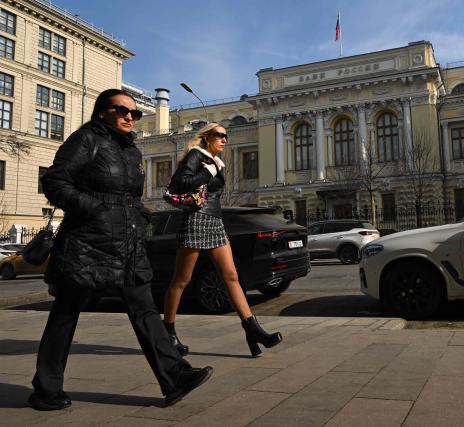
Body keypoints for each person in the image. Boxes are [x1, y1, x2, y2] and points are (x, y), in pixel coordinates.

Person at [29, 89, 213, 411]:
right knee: (66, 313)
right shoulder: (85, 139)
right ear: (102, 112)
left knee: (145, 309)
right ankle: (46, 389)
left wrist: (141, 215)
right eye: (122, 111)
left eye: (135, 113)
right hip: (88, 242)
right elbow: (56, 182)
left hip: (127, 244)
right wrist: (95, 209)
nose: (130, 117)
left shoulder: (130, 151)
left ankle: (175, 377)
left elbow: (128, 196)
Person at [163, 122, 282, 358]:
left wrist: (212, 170)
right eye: (219, 135)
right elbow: (179, 183)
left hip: (215, 222)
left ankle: (252, 330)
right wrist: (206, 172)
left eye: (226, 136)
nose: (224, 139)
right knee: (181, 280)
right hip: (196, 220)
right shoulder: (198, 155)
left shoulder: (216, 161)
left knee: (231, 276)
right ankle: (168, 333)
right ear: (207, 138)